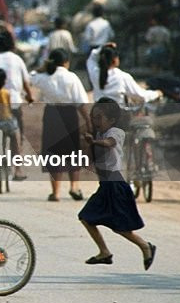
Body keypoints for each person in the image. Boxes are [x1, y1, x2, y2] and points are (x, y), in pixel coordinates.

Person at [78, 97, 157, 271]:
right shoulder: (98, 134)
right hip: (106, 185)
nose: (96, 121)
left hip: (115, 185)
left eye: (99, 117)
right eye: (94, 117)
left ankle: (145, 246)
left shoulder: (116, 132)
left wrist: (94, 142)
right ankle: (104, 252)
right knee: (86, 217)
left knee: (120, 227)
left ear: (112, 119)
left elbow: (109, 144)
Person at [31, 48, 90, 202]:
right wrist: (88, 121)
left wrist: (42, 68)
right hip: (69, 114)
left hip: (51, 115)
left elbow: (31, 76)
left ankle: (56, 192)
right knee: (72, 151)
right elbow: (81, 102)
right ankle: (74, 186)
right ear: (66, 62)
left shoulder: (44, 77)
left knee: (54, 153)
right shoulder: (71, 77)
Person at [0, 30, 34, 179]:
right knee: (16, 134)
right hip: (13, 102)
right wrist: (30, 97)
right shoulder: (17, 59)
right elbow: (25, 83)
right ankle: (18, 169)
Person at [91, 45, 162, 105]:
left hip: (98, 112)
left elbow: (92, 57)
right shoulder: (122, 76)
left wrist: (103, 47)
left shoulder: (94, 72)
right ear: (115, 59)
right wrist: (156, 93)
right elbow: (140, 96)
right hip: (116, 114)